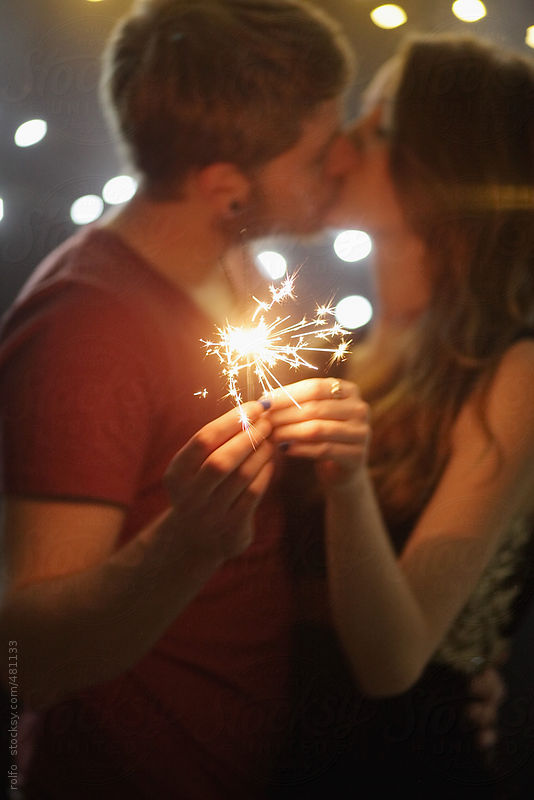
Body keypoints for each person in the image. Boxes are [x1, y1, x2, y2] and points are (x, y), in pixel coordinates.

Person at [0, 2, 507, 796]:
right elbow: (23, 660)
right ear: (227, 188)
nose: (339, 160)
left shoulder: (237, 271)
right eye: (317, 151)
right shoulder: (87, 327)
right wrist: (185, 543)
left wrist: (462, 667)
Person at [260, 33, 534, 798]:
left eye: (375, 127)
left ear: (444, 165)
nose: (339, 147)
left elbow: (395, 662)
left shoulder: (512, 373)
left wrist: (347, 484)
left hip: (399, 766)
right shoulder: (345, 357)